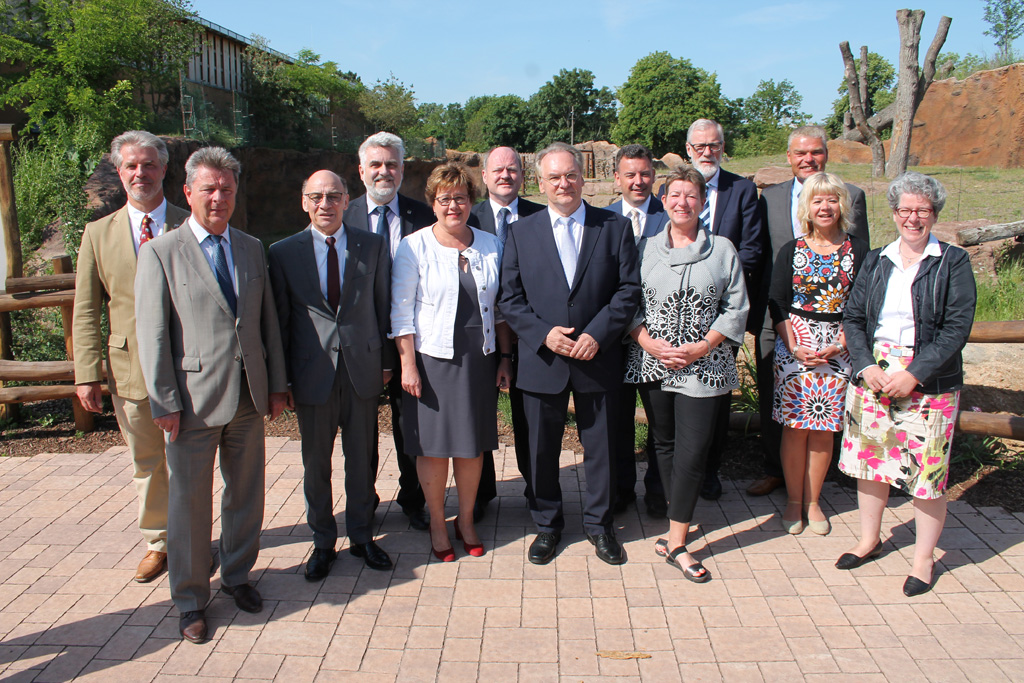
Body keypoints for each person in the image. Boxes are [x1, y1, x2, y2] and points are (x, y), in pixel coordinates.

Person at [135, 147, 288, 644]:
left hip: (248, 395)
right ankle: (189, 600)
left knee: (246, 493)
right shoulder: (162, 251)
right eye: (208, 189)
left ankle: (239, 576)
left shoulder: (250, 246)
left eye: (226, 189)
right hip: (191, 401)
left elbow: (267, 324)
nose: (218, 197)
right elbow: (154, 333)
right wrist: (164, 401)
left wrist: (276, 385)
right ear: (188, 193)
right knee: (190, 504)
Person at [498, 142, 641, 566]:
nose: (564, 183)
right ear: (540, 184)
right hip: (544, 360)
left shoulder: (613, 226)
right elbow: (510, 297)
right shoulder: (521, 232)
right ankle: (548, 525)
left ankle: (600, 527)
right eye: (554, 177)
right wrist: (543, 335)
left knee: (603, 447)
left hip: (598, 356)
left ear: (583, 178)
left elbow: (628, 289)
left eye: (571, 175)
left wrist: (598, 334)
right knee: (542, 449)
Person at [836, 171, 975, 597]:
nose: (913, 218)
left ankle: (923, 559)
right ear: (894, 212)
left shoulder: (953, 261)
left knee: (927, 476)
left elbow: (956, 327)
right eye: (905, 210)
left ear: (935, 214)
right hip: (874, 379)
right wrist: (864, 365)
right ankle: (868, 539)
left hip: (928, 384)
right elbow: (854, 317)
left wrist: (915, 374)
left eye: (923, 210)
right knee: (870, 467)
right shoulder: (877, 259)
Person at [72, 130, 190, 584]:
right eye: (131, 166)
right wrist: (87, 374)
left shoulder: (189, 222)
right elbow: (86, 309)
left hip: (187, 367)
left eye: (149, 165)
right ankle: (159, 541)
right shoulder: (97, 234)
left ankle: (193, 536)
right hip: (130, 369)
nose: (141, 173)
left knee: (190, 460)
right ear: (120, 172)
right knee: (147, 461)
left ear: (164, 169)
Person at [624, 166, 749, 581]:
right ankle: (671, 521)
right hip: (655, 361)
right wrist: (645, 341)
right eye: (675, 195)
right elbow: (627, 301)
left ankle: (677, 542)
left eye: (691, 196)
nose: (682, 203)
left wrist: (702, 346)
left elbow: (736, 307)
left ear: (703, 201)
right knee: (663, 443)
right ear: (663, 200)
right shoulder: (643, 249)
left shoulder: (723, 250)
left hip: (705, 366)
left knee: (693, 451)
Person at [268, 170, 394, 580]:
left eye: (334, 196)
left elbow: (383, 307)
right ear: (304, 202)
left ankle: (361, 537)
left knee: (362, 461)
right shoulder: (283, 252)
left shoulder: (372, 246)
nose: (326, 203)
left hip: (361, 371)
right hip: (312, 374)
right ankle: (323, 542)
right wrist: (281, 380)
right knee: (315, 465)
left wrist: (387, 361)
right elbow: (281, 321)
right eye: (317, 196)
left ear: (346, 200)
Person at [391, 162, 512, 561]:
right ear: (433, 203)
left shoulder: (491, 244)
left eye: (460, 198)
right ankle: (438, 522)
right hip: (431, 360)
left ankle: (466, 520)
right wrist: (408, 364)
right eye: (444, 199)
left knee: (471, 444)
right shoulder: (414, 246)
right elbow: (401, 311)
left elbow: (500, 309)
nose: (453, 206)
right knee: (433, 446)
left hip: (479, 358)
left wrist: (505, 358)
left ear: (471, 201)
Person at [751, 125, 871, 497]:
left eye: (815, 152)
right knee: (777, 397)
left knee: (827, 409)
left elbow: (861, 266)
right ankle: (778, 471)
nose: (808, 159)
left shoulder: (852, 195)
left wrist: (848, 331)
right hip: (780, 315)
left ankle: (818, 482)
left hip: (835, 325)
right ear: (788, 158)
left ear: (826, 155)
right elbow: (762, 255)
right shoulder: (769, 198)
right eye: (800, 153)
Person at [343, 132, 435, 531]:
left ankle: (412, 498)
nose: (384, 172)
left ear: (403, 170)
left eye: (392, 164)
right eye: (376, 164)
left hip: (412, 340)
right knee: (360, 431)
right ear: (361, 170)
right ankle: (363, 502)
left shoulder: (424, 216)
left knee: (408, 424)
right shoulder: (340, 215)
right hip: (357, 343)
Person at [768, 172, 869, 535]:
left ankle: (814, 501)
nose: (825, 207)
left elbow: (864, 303)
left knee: (824, 430)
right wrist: (794, 344)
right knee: (796, 429)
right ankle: (794, 501)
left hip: (839, 348)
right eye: (817, 200)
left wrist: (841, 343)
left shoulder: (858, 250)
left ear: (843, 204)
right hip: (796, 346)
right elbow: (777, 301)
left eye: (832, 200)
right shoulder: (792, 250)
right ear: (806, 208)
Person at [685, 119, 766, 501]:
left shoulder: (742, 190)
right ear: (688, 149)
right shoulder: (675, 190)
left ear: (722, 147)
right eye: (699, 146)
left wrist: (712, 285)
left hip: (722, 312)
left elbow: (751, 250)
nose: (706, 152)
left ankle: (709, 470)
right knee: (677, 392)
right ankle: (679, 467)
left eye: (713, 145)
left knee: (715, 394)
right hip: (678, 311)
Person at [467, 146, 544, 521]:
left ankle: (537, 489)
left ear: (523, 175)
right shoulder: (467, 216)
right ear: (484, 175)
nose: (505, 175)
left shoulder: (541, 217)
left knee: (529, 419)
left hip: (529, 335)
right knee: (479, 415)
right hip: (479, 336)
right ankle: (479, 495)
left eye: (513, 169)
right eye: (497, 169)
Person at [606, 143, 668, 519]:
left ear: (654, 177)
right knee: (616, 422)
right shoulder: (602, 219)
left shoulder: (671, 216)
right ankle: (620, 490)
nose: (638, 181)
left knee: (660, 423)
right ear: (617, 178)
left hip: (658, 341)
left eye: (645, 174)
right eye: (630, 174)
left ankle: (658, 491)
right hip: (615, 339)